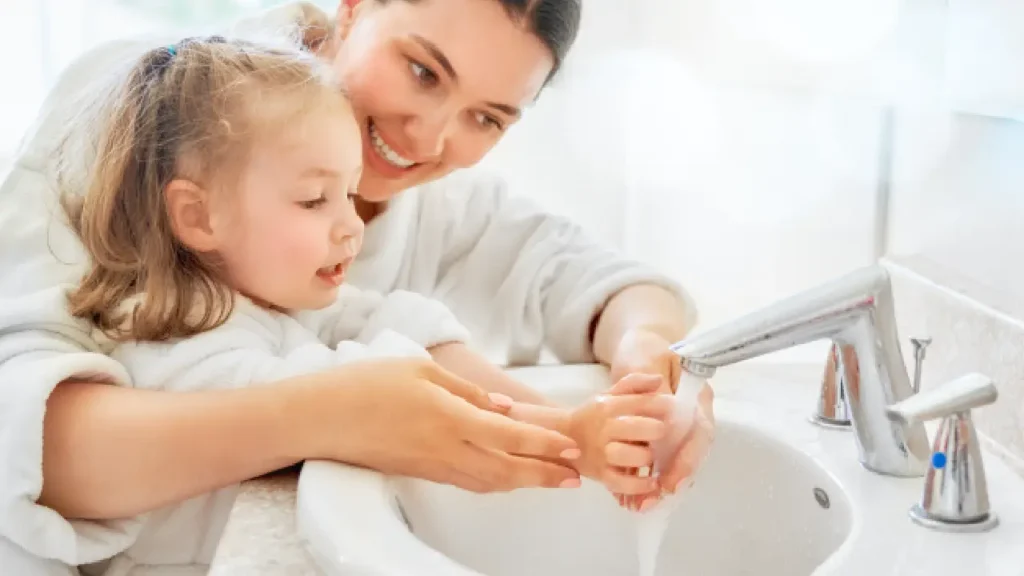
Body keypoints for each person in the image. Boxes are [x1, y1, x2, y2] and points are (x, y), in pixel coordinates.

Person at [0, 0, 714, 572]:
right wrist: (326, 414)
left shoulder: (441, 215)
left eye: (487, 118)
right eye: (423, 71)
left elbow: (592, 282)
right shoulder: (145, 116)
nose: (431, 138)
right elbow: (23, 439)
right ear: (352, 7)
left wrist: (649, 372)